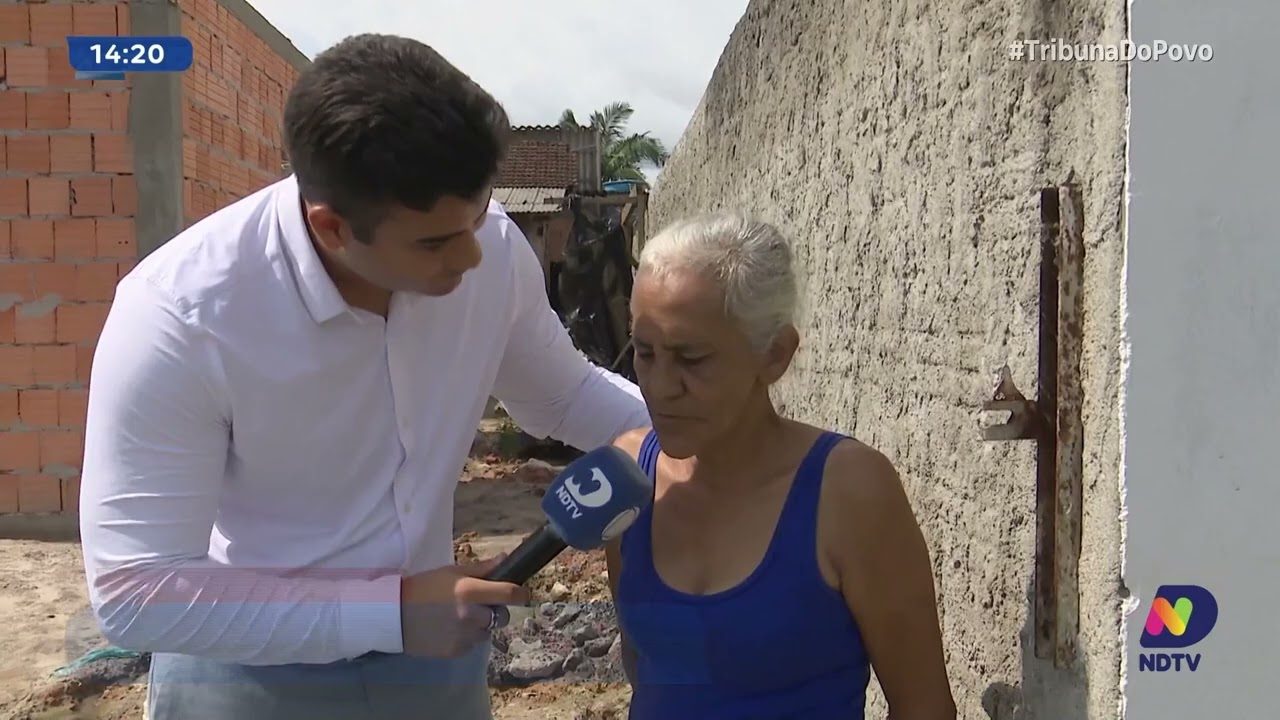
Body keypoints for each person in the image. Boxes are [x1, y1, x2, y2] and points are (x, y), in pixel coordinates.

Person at [78, 34, 649, 720]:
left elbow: (564, 396)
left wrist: (708, 436)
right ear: (331, 227)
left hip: (437, 662)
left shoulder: (488, 247)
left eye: (476, 217)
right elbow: (136, 593)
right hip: (246, 675)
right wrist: (390, 612)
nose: (472, 257)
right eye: (436, 241)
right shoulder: (181, 317)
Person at [603, 211, 957, 719]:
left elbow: (923, 707)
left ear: (774, 355)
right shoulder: (627, 475)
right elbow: (650, 673)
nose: (659, 386)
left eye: (692, 358)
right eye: (644, 352)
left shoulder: (849, 492)